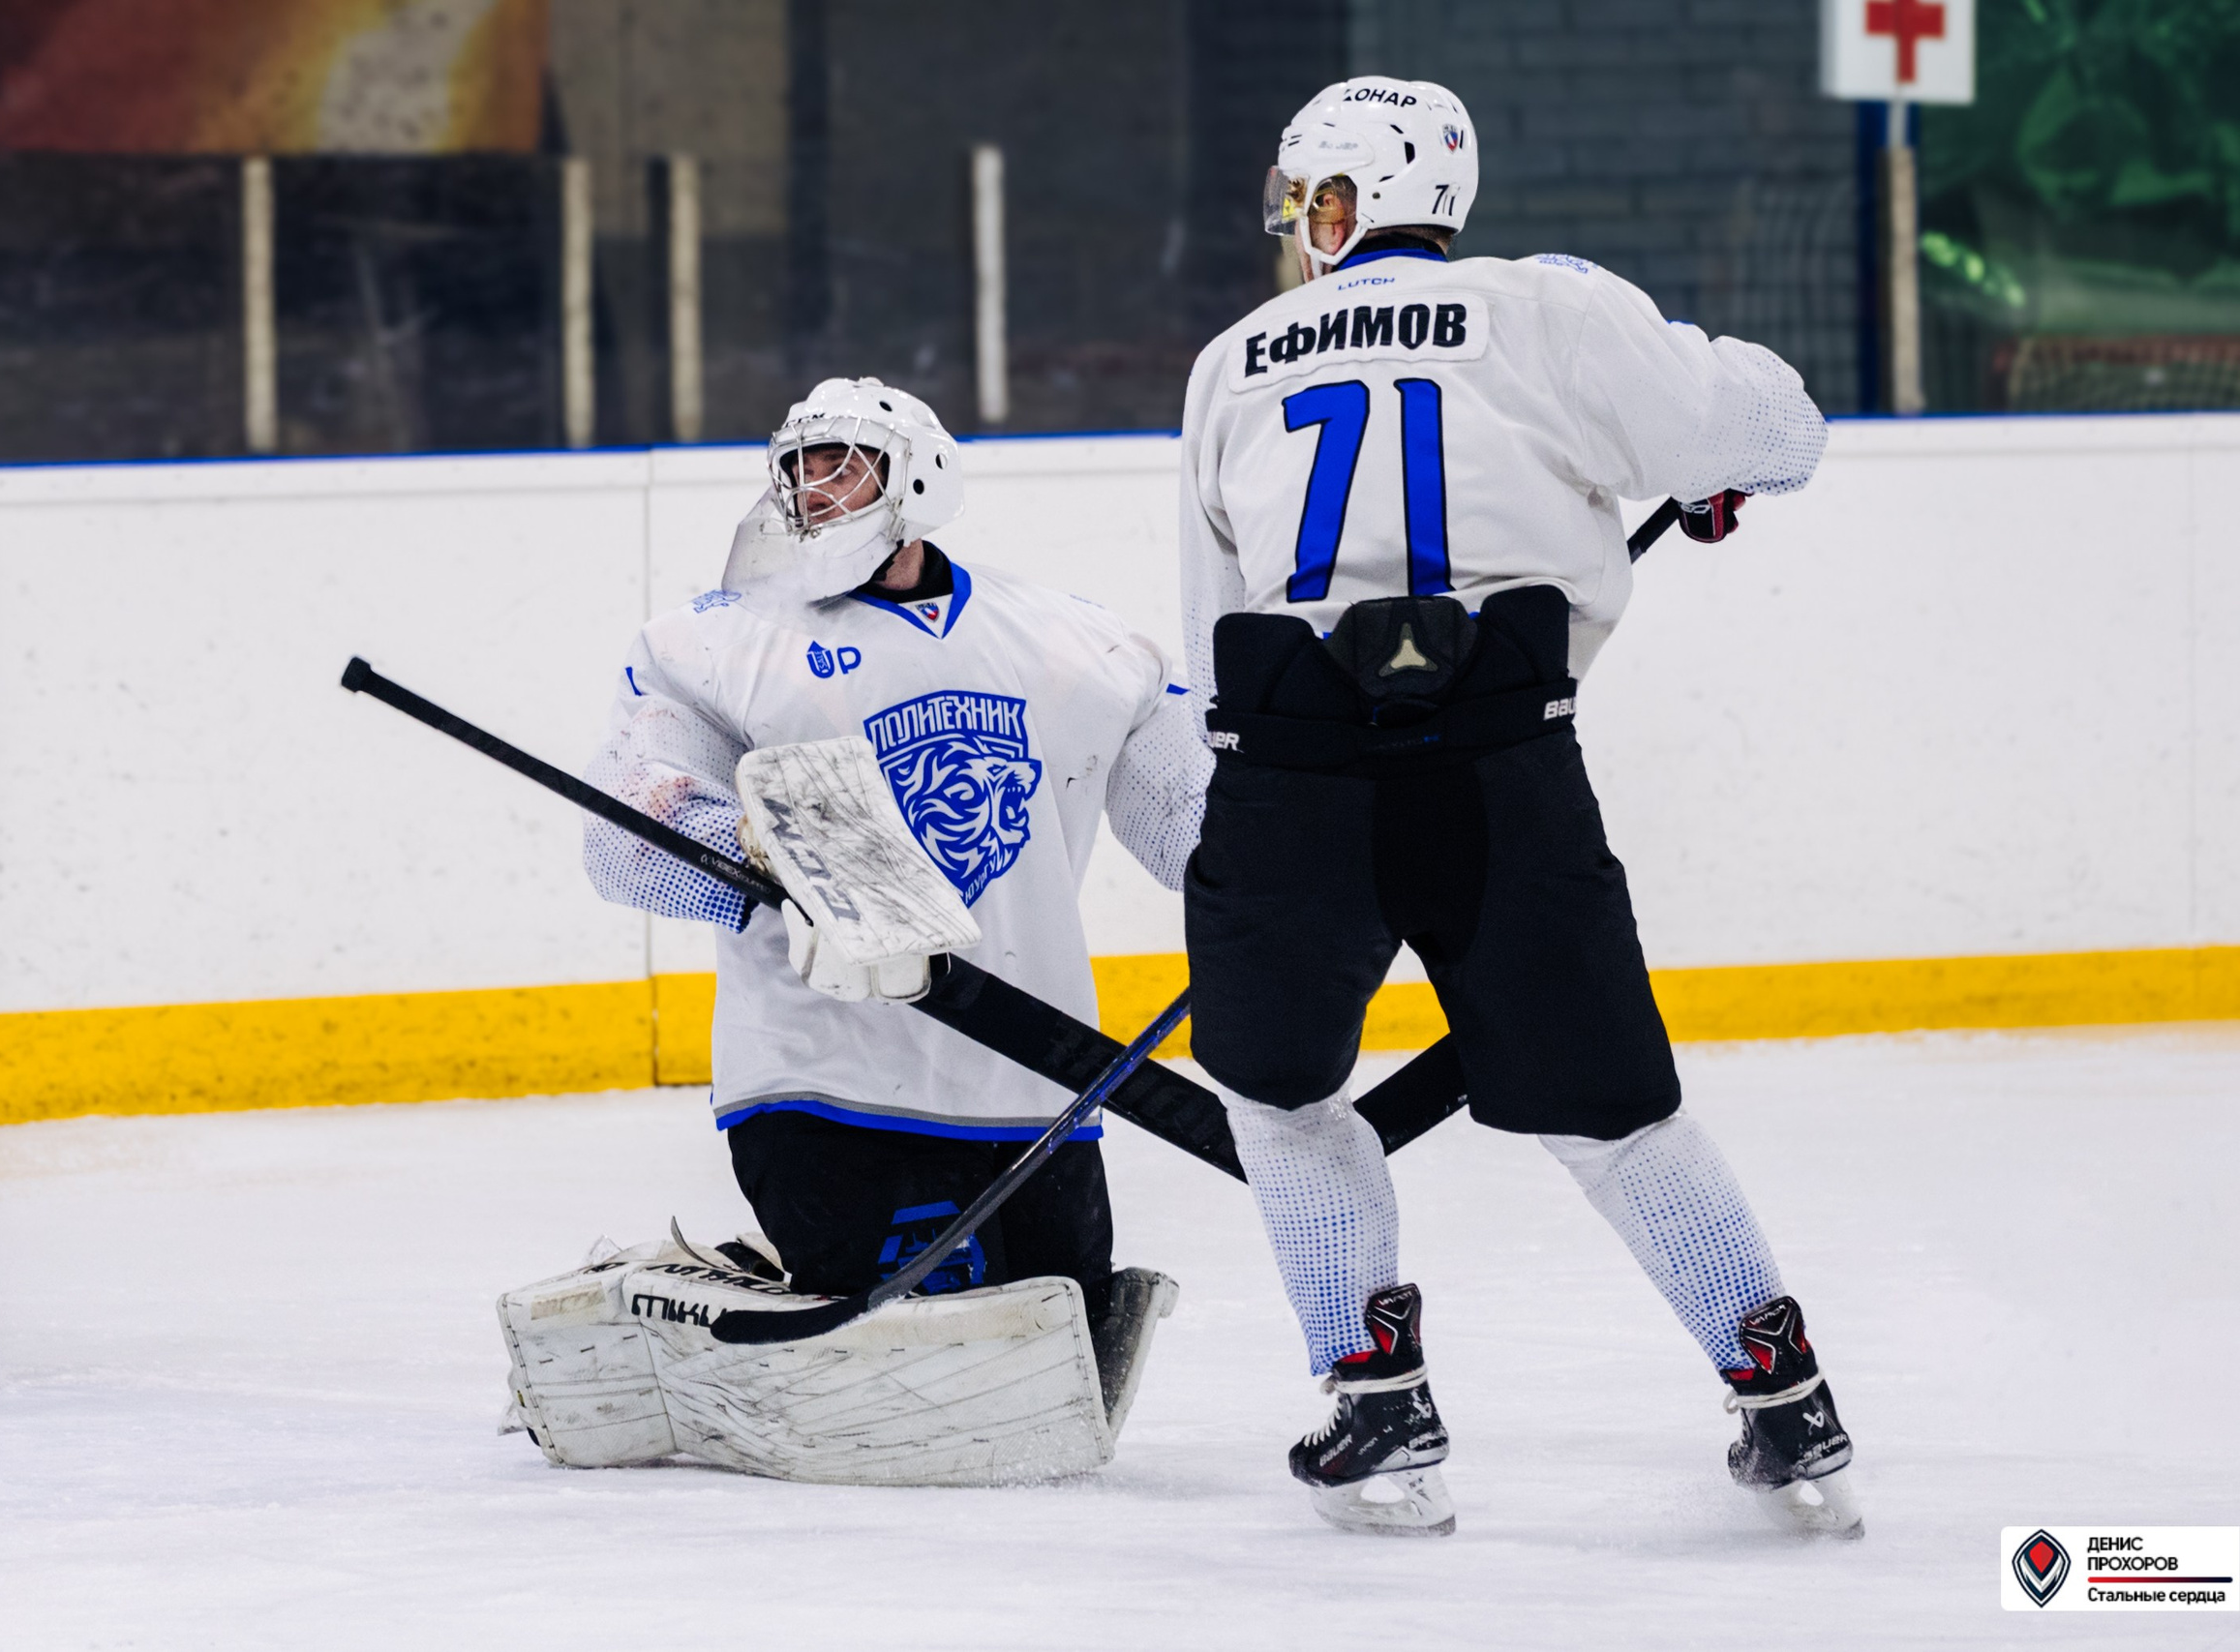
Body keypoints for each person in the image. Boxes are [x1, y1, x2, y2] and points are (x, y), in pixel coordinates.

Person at [1174, 77, 1859, 1537]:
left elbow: (1212, 623)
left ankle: (1376, 1400)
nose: (1298, 223)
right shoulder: (1550, 306)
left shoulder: (1230, 360)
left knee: (1279, 1098)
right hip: (1501, 763)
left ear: (1352, 198)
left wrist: (1231, 843)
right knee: (1615, 1109)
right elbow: (1776, 432)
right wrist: (1716, 456)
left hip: (1292, 779)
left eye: (1310, 196)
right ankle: (1782, 1393)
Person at [582, 375, 1205, 1346]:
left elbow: (1192, 826)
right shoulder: (714, 641)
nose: (812, 488)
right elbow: (623, 840)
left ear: (921, 479)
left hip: (1033, 1081)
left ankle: (743, 1273)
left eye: (844, 466)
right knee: (905, 1345)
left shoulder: (1077, 643)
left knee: (1061, 1339)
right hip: (824, 1079)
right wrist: (764, 855)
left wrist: (1292, 871)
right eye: (798, 468)